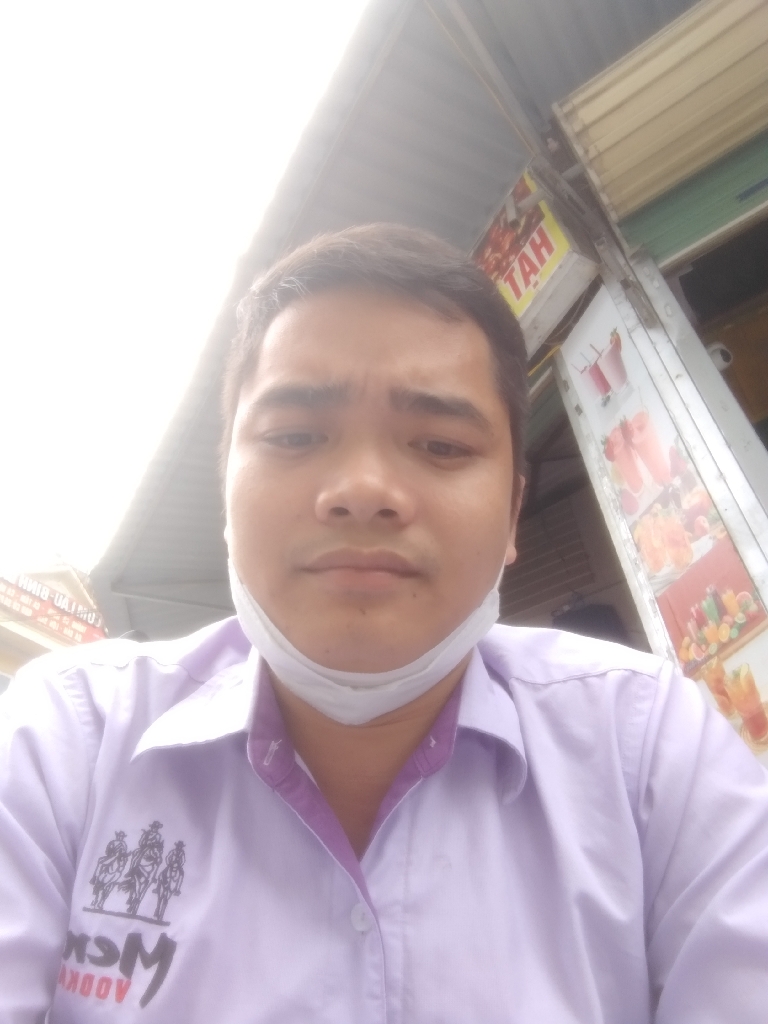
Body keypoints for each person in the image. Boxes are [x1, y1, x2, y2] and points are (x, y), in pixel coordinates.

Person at [2, 224, 768, 1023]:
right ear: (225, 492)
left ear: (513, 512)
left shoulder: (646, 747)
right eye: (295, 436)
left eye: (440, 444)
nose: (363, 490)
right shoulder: (64, 743)